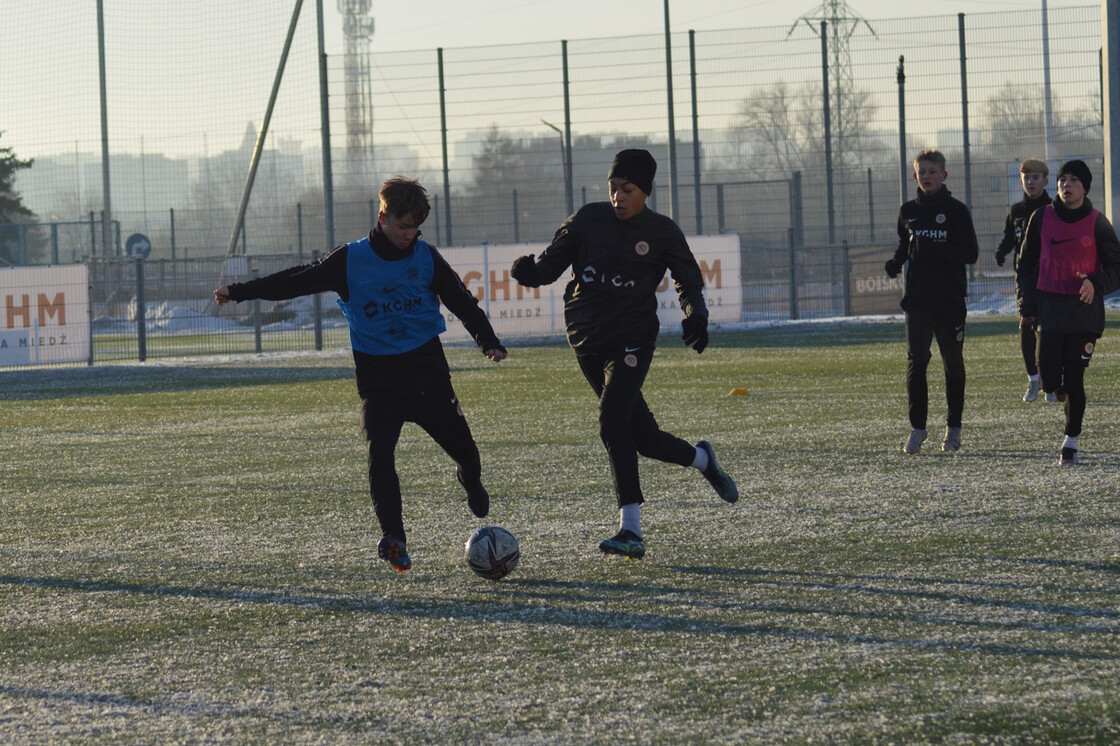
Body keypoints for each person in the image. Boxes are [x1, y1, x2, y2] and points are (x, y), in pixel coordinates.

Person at [213, 176, 507, 572]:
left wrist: (487, 340)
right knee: (379, 455)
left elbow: (461, 300)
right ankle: (394, 538)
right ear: (382, 216)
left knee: (468, 456)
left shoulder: (426, 257)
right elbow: (295, 281)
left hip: (429, 379)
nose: (410, 235)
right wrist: (240, 291)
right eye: (403, 226)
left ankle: (469, 480)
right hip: (380, 382)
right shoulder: (350, 261)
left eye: (416, 228)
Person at [509, 148, 738, 561]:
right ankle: (703, 460)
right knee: (644, 438)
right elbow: (549, 267)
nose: (618, 197)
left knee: (612, 421)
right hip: (586, 341)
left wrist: (697, 317)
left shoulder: (663, 232)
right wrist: (529, 274)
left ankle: (630, 530)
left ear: (645, 192)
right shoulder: (586, 221)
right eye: (613, 188)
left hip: (633, 338)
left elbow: (689, 281)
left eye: (627, 189)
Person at [1016, 159, 1120, 465]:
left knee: (1075, 378)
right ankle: (1061, 393)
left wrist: (1095, 283)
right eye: (1063, 179)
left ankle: (1070, 443)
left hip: (1084, 315)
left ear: (1085, 187)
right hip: (1050, 311)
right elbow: (1025, 265)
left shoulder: (1098, 223)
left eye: (1074, 180)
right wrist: (1028, 305)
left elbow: (1117, 267)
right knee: (1049, 381)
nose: (1066, 185)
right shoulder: (1041, 217)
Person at [885, 149, 979, 455]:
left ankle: (954, 428)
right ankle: (918, 428)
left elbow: (970, 253)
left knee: (952, 363)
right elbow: (906, 243)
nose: (926, 176)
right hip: (918, 300)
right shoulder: (907, 211)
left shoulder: (956, 211)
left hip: (950, 300)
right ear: (915, 176)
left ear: (943, 176)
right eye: (921, 171)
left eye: (931, 171)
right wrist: (896, 262)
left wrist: (936, 250)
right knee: (917, 360)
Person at [994, 158, 1053, 403]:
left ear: (1046, 181)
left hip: (1051, 276)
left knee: (1050, 329)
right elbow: (1010, 236)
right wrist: (1001, 251)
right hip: (1025, 276)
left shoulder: (1054, 208)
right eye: (1026, 178)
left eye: (1035, 177)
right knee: (1027, 322)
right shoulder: (1017, 210)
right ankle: (1032, 379)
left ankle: (1049, 381)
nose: (1031, 182)